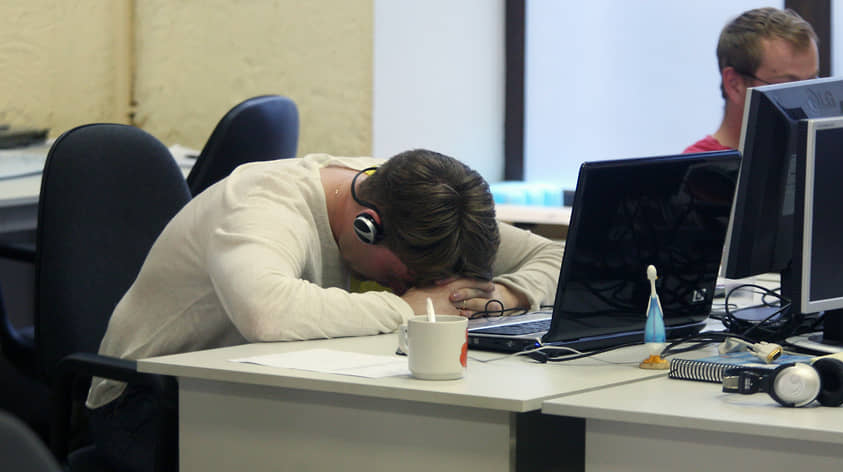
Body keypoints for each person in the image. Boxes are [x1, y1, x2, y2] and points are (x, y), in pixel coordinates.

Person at [86, 148, 563, 472]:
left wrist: (510, 292)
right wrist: (410, 305)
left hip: (268, 390)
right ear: (367, 226)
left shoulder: (421, 206)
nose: (419, 287)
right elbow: (267, 312)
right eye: (408, 275)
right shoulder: (263, 203)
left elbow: (556, 254)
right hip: (149, 403)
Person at [684, 7, 820, 153]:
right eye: (788, 87)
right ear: (734, 84)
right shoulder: (696, 166)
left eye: (812, 83)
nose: (806, 105)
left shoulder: (814, 154)